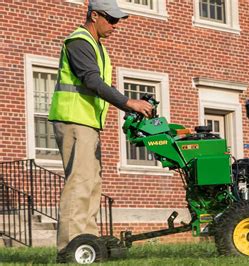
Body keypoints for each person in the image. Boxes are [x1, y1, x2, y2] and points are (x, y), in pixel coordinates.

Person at [48, 0, 152, 260]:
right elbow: (92, 80)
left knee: (93, 184)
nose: (116, 25)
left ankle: (88, 243)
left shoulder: (97, 46)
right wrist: (128, 102)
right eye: (112, 19)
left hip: (88, 123)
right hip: (74, 120)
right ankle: (70, 249)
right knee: (80, 184)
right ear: (94, 15)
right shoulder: (79, 42)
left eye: (118, 21)